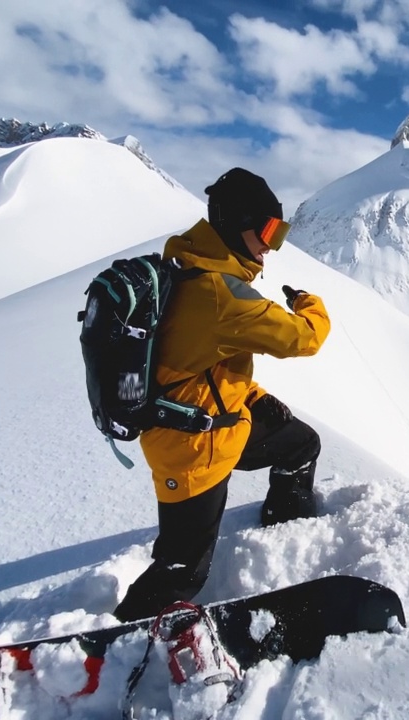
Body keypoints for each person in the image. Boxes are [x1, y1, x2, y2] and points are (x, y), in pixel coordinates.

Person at [113, 168, 331, 622]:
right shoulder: (221, 293)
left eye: (281, 232)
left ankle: (284, 532)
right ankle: (115, 642)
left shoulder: (188, 265)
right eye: (270, 231)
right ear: (238, 224)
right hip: (193, 449)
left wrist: (250, 394)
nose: (272, 245)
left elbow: (195, 356)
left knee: (300, 443)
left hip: (221, 419)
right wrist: (310, 303)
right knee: (182, 572)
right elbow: (303, 338)